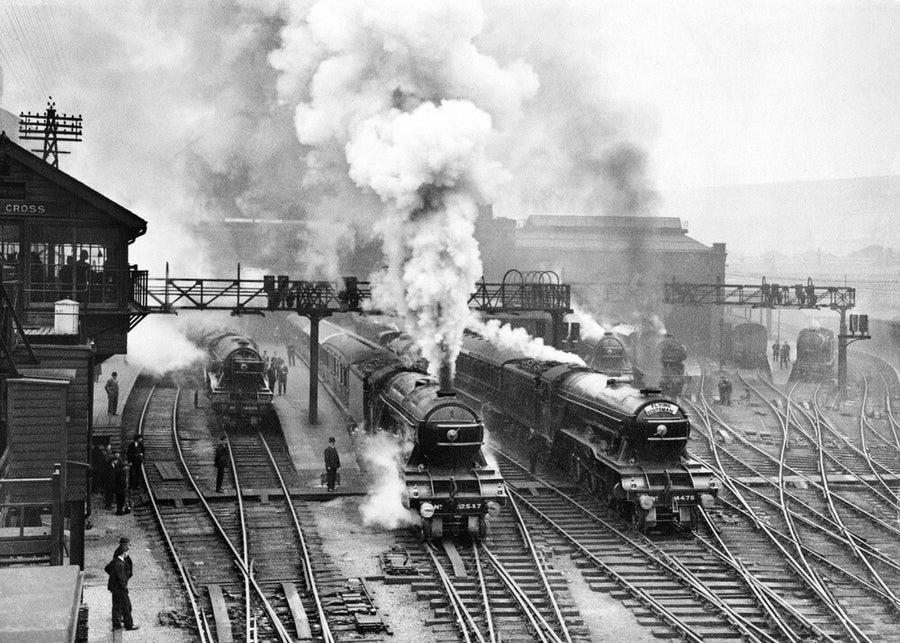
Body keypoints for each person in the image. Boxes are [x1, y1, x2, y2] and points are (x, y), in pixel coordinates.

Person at [105, 536, 138, 631]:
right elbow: (119, 576)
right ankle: (129, 625)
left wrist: (114, 577)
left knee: (116, 606)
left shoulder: (117, 560)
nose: (129, 548)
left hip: (115, 587)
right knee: (126, 606)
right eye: (128, 545)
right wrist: (122, 583)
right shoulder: (119, 562)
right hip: (120, 587)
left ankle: (116, 625)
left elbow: (108, 568)